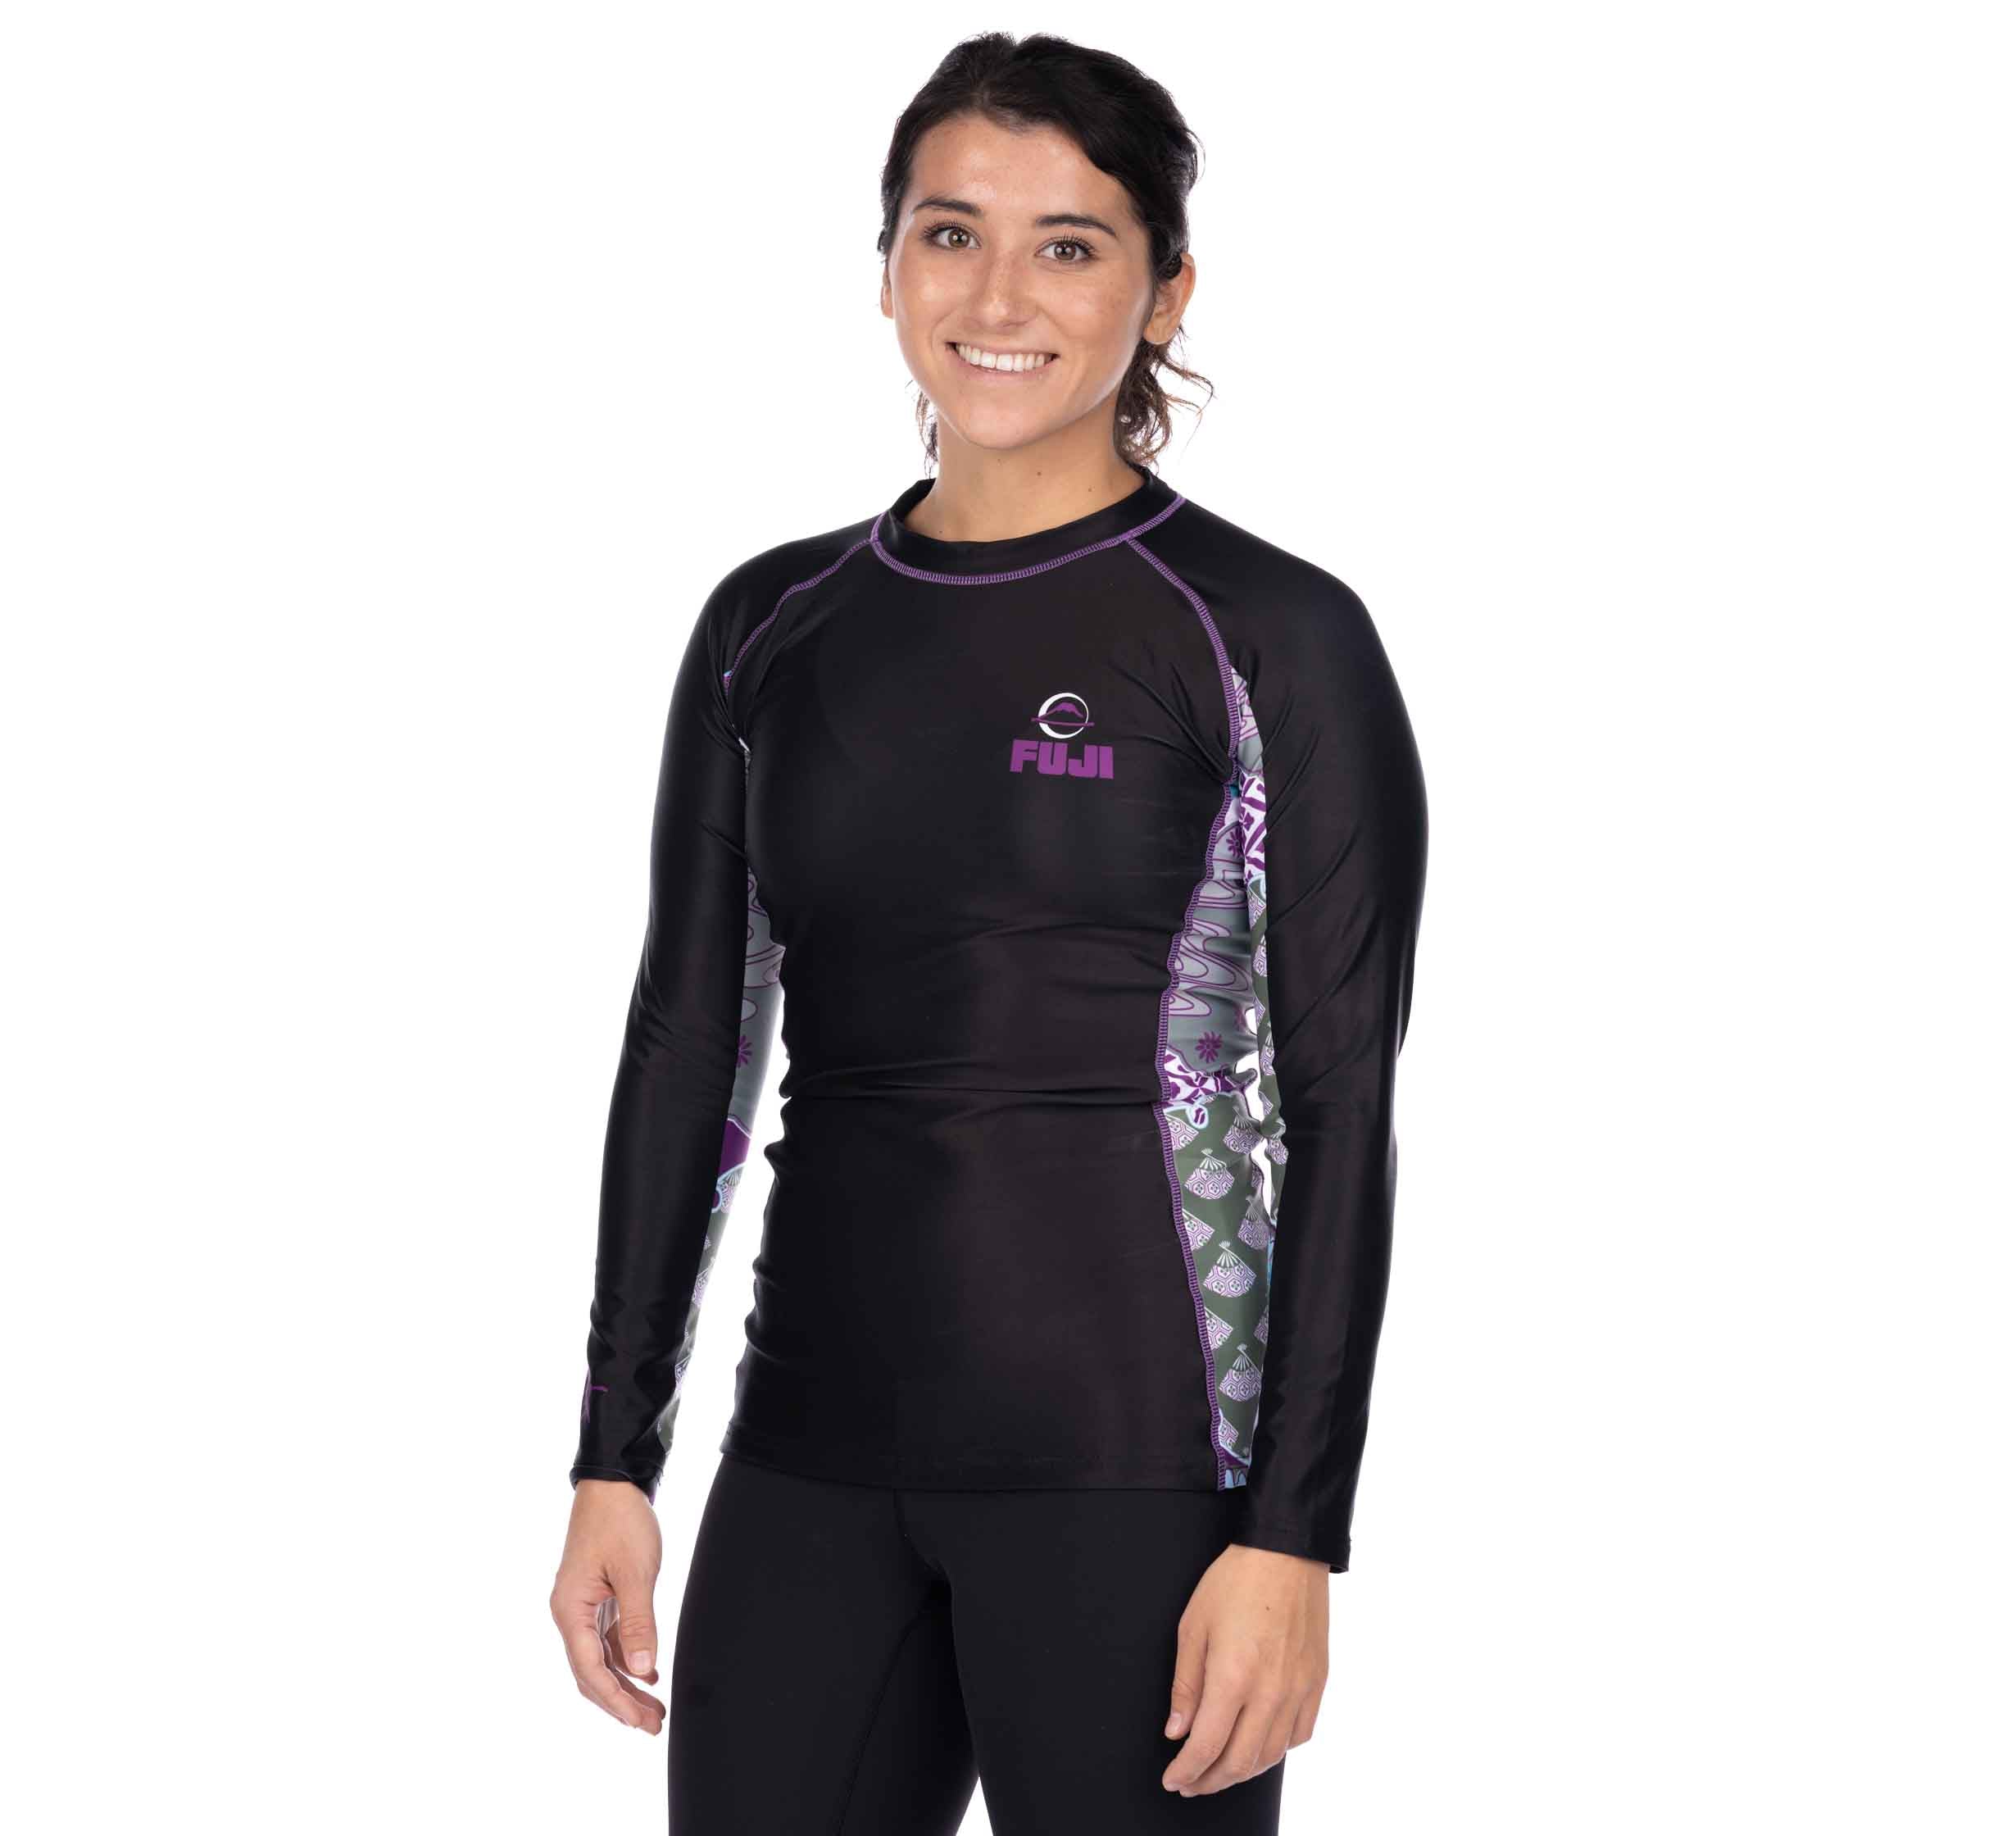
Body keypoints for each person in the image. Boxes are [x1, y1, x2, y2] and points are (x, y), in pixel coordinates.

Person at [549, 30, 1428, 1835]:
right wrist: (613, 1457)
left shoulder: (1267, 635)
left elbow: (1344, 1107)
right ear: (886, 267)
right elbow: (686, 1049)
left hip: (1141, 1478)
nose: (999, 296)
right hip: (807, 1461)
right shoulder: (769, 624)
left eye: (1071, 245)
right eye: (950, 233)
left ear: (1166, 291)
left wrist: (1295, 1536)